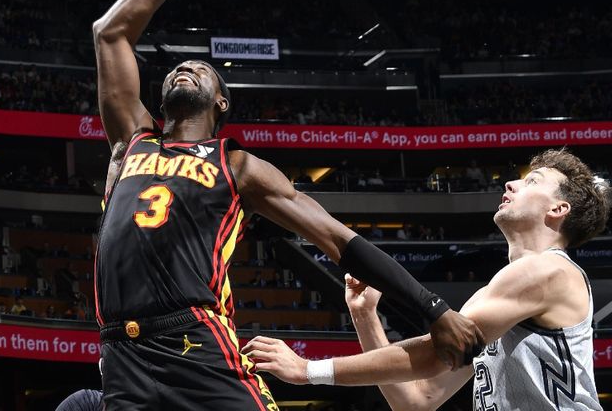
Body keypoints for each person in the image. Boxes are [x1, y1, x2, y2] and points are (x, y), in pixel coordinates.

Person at [92, 0, 481, 410]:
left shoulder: (239, 168)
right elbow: (109, 33)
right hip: (122, 357)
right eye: (178, 67)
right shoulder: (133, 140)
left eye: (202, 69)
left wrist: (434, 311)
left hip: (197, 346)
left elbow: (338, 240)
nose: (186, 68)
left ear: (222, 104)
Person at [243, 149, 608, 411]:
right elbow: (418, 400)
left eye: (532, 181)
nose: (511, 183)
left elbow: (434, 354)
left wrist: (308, 371)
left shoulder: (552, 270)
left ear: (558, 210)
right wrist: (365, 316)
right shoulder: (493, 300)